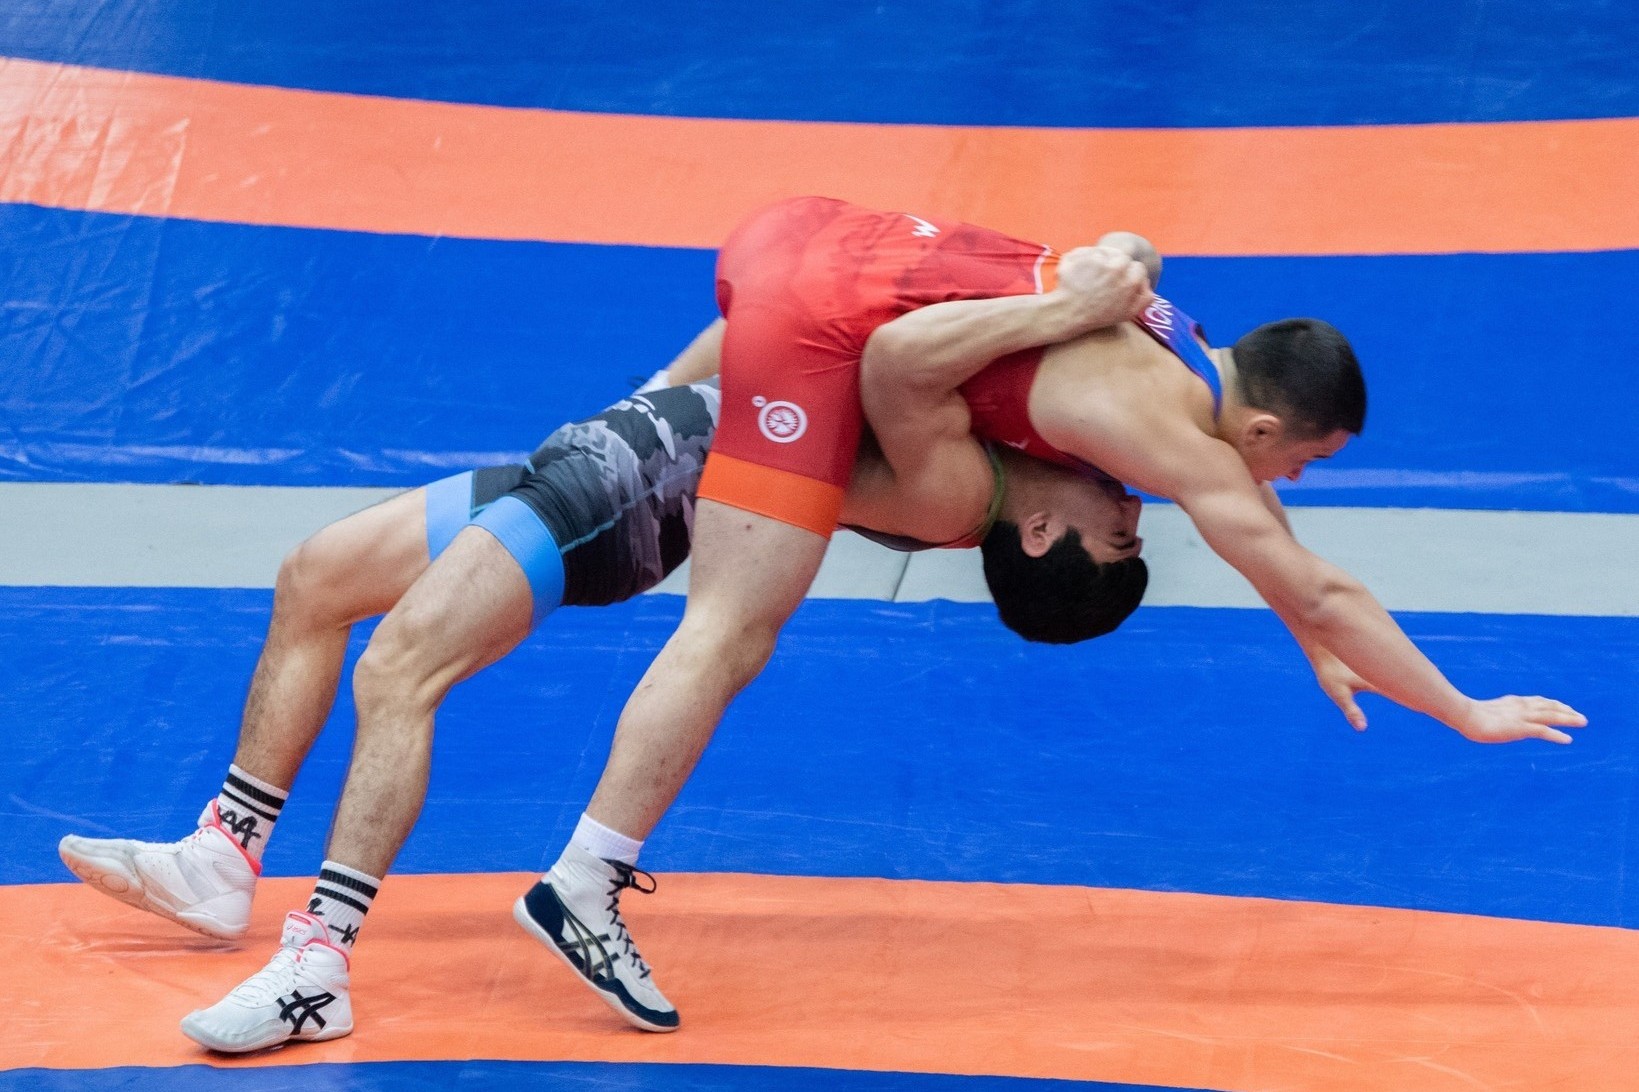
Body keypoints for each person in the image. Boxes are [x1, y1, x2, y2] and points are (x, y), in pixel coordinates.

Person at [533, 195, 1585, 1035]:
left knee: (733, 450)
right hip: (818, 321)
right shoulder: (1161, 429)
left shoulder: (1173, 339)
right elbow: (1306, 574)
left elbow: (1264, 518)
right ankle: (585, 879)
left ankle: (630, 415)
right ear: (1262, 425)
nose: (1294, 481)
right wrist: (1460, 708)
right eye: (1306, 460)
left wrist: (1316, 642)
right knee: (729, 632)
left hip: (807, 232)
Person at [55, 246, 1152, 1052]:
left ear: (1045, 538)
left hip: (635, 485)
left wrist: (1074, 296)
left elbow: (874, 343)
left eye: (1119, 526)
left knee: (400, 667)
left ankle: (317, 964)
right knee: (316, 577)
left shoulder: (961, 472)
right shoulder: (1013, 446)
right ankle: (222, 857)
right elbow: (798, 332)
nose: (1126, 493)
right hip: (618, 452)